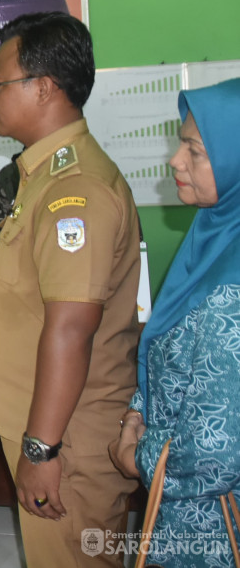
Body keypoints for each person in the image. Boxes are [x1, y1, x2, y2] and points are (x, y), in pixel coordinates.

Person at [0, 13, 140, 568]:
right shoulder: (41, 175)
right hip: (48, 421)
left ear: (42, 88)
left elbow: (72, 327)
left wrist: (42, 449)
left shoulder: (75, 189)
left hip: (68, 437)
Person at [109, 78, 240, 567]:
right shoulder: (213, 240)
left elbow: (215, 453)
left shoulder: (233, 285)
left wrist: (135, 456)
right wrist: (137, 414)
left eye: (195, 150)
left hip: (211, 533)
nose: (175, 161)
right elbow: (170, 351)